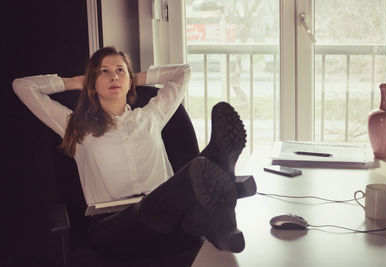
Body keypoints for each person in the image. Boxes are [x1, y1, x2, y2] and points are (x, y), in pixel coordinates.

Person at [12, 46, 254, 262]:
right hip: (113, 226)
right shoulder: (75, 125)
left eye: (120, 71)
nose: (113, 76)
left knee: (187, 189)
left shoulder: (150, 115)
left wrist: (136, 77)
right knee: (193, 173)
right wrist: (75, 82)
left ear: (130, 83)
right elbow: (23, 86)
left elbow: (184, 72)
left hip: (171, 218)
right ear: (92, 84)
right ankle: (220, 187)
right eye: (103, 72)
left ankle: (219, 162)